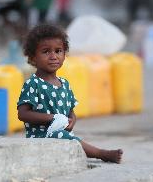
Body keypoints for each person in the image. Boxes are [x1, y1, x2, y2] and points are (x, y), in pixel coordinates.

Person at [17, 24, 123, 164]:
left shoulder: (64, 84)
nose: (53, 56)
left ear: (64, 54)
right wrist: (51, 118)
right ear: (32, 57)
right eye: (46, 51)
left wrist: (72, 120)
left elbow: (70, 112)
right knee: (63, 136)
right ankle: (101, 154)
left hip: (62, 135)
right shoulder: (33, 84)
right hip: (41, 137)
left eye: (58, 51)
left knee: (66, 136)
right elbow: (23, 114)